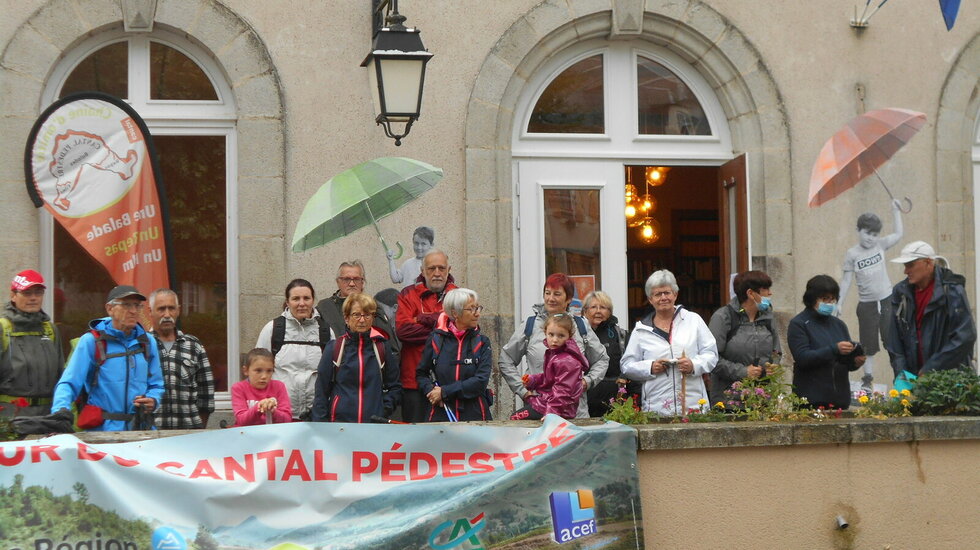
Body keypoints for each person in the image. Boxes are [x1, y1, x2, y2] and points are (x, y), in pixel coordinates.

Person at [51, 285, 164, 431]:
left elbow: (157, 384)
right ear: (110, 309)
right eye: (126, 305)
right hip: (102, 432)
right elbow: (69, 382)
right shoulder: (92, 341)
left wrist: (153, 400)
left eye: (137, 305)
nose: (133, 311)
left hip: (140, 430)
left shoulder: (147, 342)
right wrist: (60, 411)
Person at [499, 273, 609, 419]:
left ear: (568, 299)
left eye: (557, 294)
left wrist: (586, 382)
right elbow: (505, 359)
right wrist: (523, 390)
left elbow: (602, 359)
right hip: (538, 409)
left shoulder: (580, 325)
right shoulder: (530, 325)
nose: (550, 298)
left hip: (575, 413)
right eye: (547, 293)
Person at [620, 270, 717, 416]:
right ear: (650, 299)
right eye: (657, 294)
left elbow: (711, 354)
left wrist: (693, 365)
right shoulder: (641, 330)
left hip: (693, 405)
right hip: (657, 408)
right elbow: (627, 365)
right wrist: (650, 367)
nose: (663, 298)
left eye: (667, 292)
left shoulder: (693, 320)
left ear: (675, 294)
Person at [886, 241, 976, 385]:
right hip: (914, 381)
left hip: (951, 383)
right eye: (905, 266)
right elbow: (894, 342)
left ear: (928, 263)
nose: (906, 271)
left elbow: (965, 336)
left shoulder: (952, 290)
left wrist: (931, 368)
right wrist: (902, 376)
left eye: (910, 265)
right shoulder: (900, 292)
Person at [838, 200, 904, 391]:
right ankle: (868, 379)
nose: (871, 238)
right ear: (858, 230)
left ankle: (898, 375)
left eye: (875, 234)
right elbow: (846, 280)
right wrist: (840, 302)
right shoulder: (852, 254)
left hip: (886, 301)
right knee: (868, 345)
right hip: (866, 304)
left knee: (891, 340)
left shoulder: (881, 245)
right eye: (867, 233)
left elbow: (899, 235)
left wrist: (895, 212)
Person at [312, 293, 401, 423]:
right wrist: (320, 424)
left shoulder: (382, 347)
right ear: (346, 318)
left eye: (367, 315)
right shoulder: (335, 348)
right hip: (340, 425)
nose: (362, 320)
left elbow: (395, 386)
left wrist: (384, 409)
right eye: (356, 315)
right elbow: (321, 391)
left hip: (373, 425)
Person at [255, 279, 333, 421]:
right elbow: (257, 372)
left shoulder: (326, 331)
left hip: (316, 416)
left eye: (306, 298)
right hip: (279, 414)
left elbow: (333, 374)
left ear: (313, 300)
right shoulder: (272, 329)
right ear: (287, 301)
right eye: (296, 298)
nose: (301, 303)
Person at [396, 250, 457, 422]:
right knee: (414, 440)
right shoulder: (407, 294)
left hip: (449, 384)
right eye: (431, 268)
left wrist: (421, 319)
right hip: (413, 383)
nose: (436, 273)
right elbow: (403, 332)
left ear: (448, 269)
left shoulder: (459, 296)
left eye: (441, 268)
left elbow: (464, 330)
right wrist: (443, 322)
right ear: (422, 271)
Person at [787, 275, 865, 409]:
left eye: (832, 299)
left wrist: (855, 362)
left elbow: (843, 361)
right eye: (824, 299)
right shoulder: (799, 324)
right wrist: (834, 349)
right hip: (811, 402)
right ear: (812, 299)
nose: (829, 303)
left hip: (840, 402)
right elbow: (803, 358)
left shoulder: (839, 325)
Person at [416, 288, 493, 421]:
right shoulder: (436, 339)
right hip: (441, 413)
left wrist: (444, 392)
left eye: (478, 308)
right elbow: (421, 374)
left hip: (475, 415)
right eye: (471, 309)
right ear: (455, 313)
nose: (477, 314)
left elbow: (481, 381)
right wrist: (431, 392)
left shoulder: (482, 342)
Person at [707, 270, 781, 406]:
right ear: (751, 293)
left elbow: (776, 351)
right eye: (765, 289)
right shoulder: (723, 317)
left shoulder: (768, 316)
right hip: (730, 400)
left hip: (762, 399)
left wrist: (774, 365)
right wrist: (743, 371)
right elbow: (711, 359)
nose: (770, 293)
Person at [0, 269, 64, 418]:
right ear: (13, 296)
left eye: (38, 293)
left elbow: (61, 375)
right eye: (27, 293)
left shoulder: (50, 330)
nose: (33, 298)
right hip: (10, 416)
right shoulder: (3, 329)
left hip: (47, 416)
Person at [148, 288, 214, 429]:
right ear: (150, 312)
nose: (167, 314)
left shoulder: (193, 345)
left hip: (188, 433)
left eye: (171, 308)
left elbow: (206, 394)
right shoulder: (142, 345)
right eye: (161, 309)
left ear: (178, 310)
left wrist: (199, 429)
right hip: (151, 434)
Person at [316, 260, 400, 368]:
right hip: (337, 374)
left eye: (356, 279)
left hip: (368, 373)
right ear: (338, 282)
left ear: (362, 282)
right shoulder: (325, 307)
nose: (351, 284)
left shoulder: (373, 307)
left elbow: (392, 349)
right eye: (346, 279)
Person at [511, 313, 588, 420]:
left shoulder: (567, 360)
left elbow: (563, 391)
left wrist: (552, 413)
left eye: (561, 336)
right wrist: (532, 380)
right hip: (547, 403)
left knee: (515, 419)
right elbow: (550, 378)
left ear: (569, 336)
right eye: (551, 334)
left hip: (556, 408)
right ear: (545, 333)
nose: (555, 340)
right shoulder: (555, 354)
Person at [581, 290, 637, 417]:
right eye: (594, 307)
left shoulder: (620, 335)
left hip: (615, 400)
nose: (598, 311)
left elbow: (630, 364)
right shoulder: (578, 335)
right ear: (585, 311)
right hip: (585, 401)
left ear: (610, 312)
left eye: (603, 307)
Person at [232, 348, 292, 426]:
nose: (264, 376)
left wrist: (273, 411)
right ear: (245, 370)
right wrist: (259, 407)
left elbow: (287, 420)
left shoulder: (279, 386)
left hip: (273, 434)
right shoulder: (238, 388)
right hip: (247, 434)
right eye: (258, 370)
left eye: (269, 371)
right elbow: (241, 421)